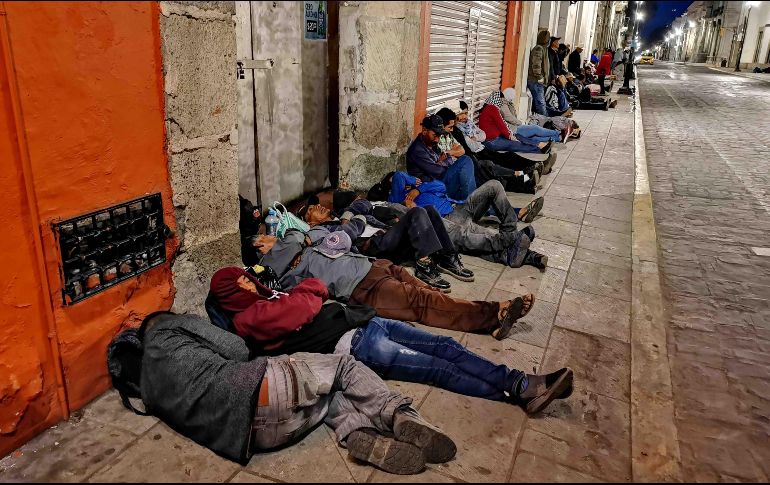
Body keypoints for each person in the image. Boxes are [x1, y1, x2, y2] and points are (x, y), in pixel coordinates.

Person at [208, 267, 575, 414]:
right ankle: (519, 390)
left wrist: (306, 293)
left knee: (447, 347)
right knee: (438, 369)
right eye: (238, 283)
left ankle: (518, 382)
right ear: (230, 294)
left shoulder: (268, 299)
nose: (247, 282)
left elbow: (317, 289)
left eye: (244, 277)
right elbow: (305, 304)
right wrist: (305, 294)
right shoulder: (247, 319)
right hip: (354, 344)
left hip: (367, 323)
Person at [140, 311, 456, 474]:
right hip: (264, 387)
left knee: (327, 393)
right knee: (344, 368)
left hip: (259, 439)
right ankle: (400, 415)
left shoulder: (147, 389)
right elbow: (236, 348)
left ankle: (357, 431)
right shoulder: (172, 327)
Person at [260, 228, 536, 339]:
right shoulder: (274, 265)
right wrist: (296, 237)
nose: (270, 237)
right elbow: (294, 238)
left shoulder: (305, 247)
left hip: (375, 264)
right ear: (259, 247)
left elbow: (323, 231)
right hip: (363, 287)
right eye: (263, 239)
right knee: (424, 304)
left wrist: (308, 237)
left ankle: (485, 318)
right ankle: (493, 315)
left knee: (427, 291)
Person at [298, 194, 474, 288]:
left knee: (429, 210)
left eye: (317, 204)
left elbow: (364, 204)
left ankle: (446, 257)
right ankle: (424, 267)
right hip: (373, 247)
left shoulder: (342, 214)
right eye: (311, 210)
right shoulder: (324, 230)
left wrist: (348, 214)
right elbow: (343, 239)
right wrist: (356, 221)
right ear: (309, 222)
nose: (318, 206)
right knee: (417, 213)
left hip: (387, 236)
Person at [388, 172, 548, 271]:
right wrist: (406, 196)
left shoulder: (422, 189)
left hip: (460, 209)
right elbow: (398, 176)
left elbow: (440, 186)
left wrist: (418, 188)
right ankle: (525, 253)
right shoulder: (397, 201)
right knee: (482, 238)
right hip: (446, 223)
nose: (409, 182)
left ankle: (511, 233)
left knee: (494, 185)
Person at [436, 105, 541, 194]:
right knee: (492, 174)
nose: (452, 129)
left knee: (496, 166)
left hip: (475, 154)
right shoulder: (439, 138)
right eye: (450, 127)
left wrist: (453, 151)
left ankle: (526, 176)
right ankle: (526, 180)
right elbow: (454, 154)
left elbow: (463, 149)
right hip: (468, 162)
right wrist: (454, 152)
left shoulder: (451, 133)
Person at [454, 100, 554, 175]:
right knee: (502, 161)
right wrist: (474, 138)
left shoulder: (469, 123)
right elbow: (470, 146)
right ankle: (529, 173)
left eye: (466, 113)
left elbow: (482, 134)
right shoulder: (457, 130)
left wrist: (475, 137)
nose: (464, 117)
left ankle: (537, 166)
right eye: (461, 114)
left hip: (482, 147)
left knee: (509, 156)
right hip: (478, 153)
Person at [406, 114, 477, 201]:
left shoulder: (432, 144)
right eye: (435, 135)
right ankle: (471, 203)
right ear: (424, 130)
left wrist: (442, 162)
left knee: (467, 169)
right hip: (431, 188)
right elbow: (439, 171)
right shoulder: (417, 150)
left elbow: (443, 160)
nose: (437, 139)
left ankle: (470, 201)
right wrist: (447, 161)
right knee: (465, 161)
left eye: (439, 136)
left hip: (439, 183)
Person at [478, 91, 555, 154]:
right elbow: (502, 125)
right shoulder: (492, 108)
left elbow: (503, 124)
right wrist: (511, 137)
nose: (502, 102)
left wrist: (512, 136)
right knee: (516, 144)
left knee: (518, 136)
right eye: (501, 100)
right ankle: (539, 150)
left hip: (497, 137)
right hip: (492, 141)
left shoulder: (491, 108)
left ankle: (541, 145)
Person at [527, 30, 551, 116]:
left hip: (537, 82)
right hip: (536, 81)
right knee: (540, 104)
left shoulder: (543, 49)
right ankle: (544, 124)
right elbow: (536, 64)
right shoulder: (539, 48)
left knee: (539, 103)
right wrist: (540, 77)